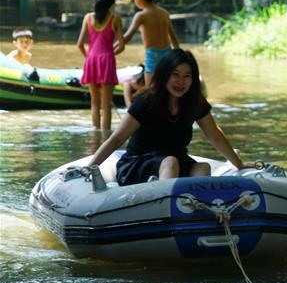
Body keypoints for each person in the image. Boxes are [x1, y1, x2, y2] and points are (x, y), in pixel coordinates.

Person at [84, 49, 253, 184]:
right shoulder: (146, 101)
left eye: (187, 76)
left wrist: (238, 163)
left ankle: (194, 213)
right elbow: (116, 139)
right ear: (164, 75)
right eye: (175, 74)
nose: (181, 81)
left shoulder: (194, 102)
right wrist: (88, 168)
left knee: (202, 168)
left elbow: (214, 134)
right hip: (138, 163)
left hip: (176, 161)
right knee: (170, 161)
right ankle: (167, 209)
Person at [77, 0, 125, 131]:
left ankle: (95, 135)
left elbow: (79, 44)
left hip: (91, 61)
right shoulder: (115, 19)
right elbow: (122, 46)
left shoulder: (88, 18)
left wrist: (90, 58)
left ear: (94, 2)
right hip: (107, 61)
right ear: (112, 3)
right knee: (106, 106)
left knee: (95, 104)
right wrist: (110, 54)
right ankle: (105, 138)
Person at [120, 0, 179, 86]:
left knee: (151, 90)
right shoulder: (164, 13)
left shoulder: (141, 16)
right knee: (166, 88)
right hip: (168, 54)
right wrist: (179, 57)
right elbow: (173, 38)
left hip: (153, 55)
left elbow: (127, 37)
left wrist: (111, 48)